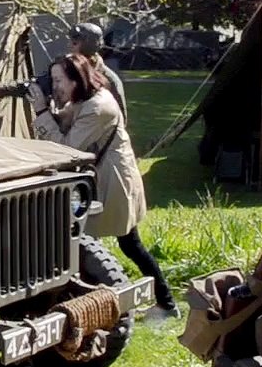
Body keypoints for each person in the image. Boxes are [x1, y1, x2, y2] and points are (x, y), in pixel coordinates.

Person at [28, 52, 178, 321]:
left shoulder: (99, 106)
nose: (56, 86)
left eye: (58, 80)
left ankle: (163, 303)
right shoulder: (85, 100)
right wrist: (46, 104)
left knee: (124, 244)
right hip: (101, 180)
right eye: (53, 80)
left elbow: (68, 148)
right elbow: (63, 120)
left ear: (77, 79)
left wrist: (41, 111)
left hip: (114, 183)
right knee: (111, 243)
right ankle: (94, 298)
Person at [67, 23, 127, 124]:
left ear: (88, 46)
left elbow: (119, 120)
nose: (69, 46)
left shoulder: (110, 80)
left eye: (74, 43)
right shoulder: (66, 72)